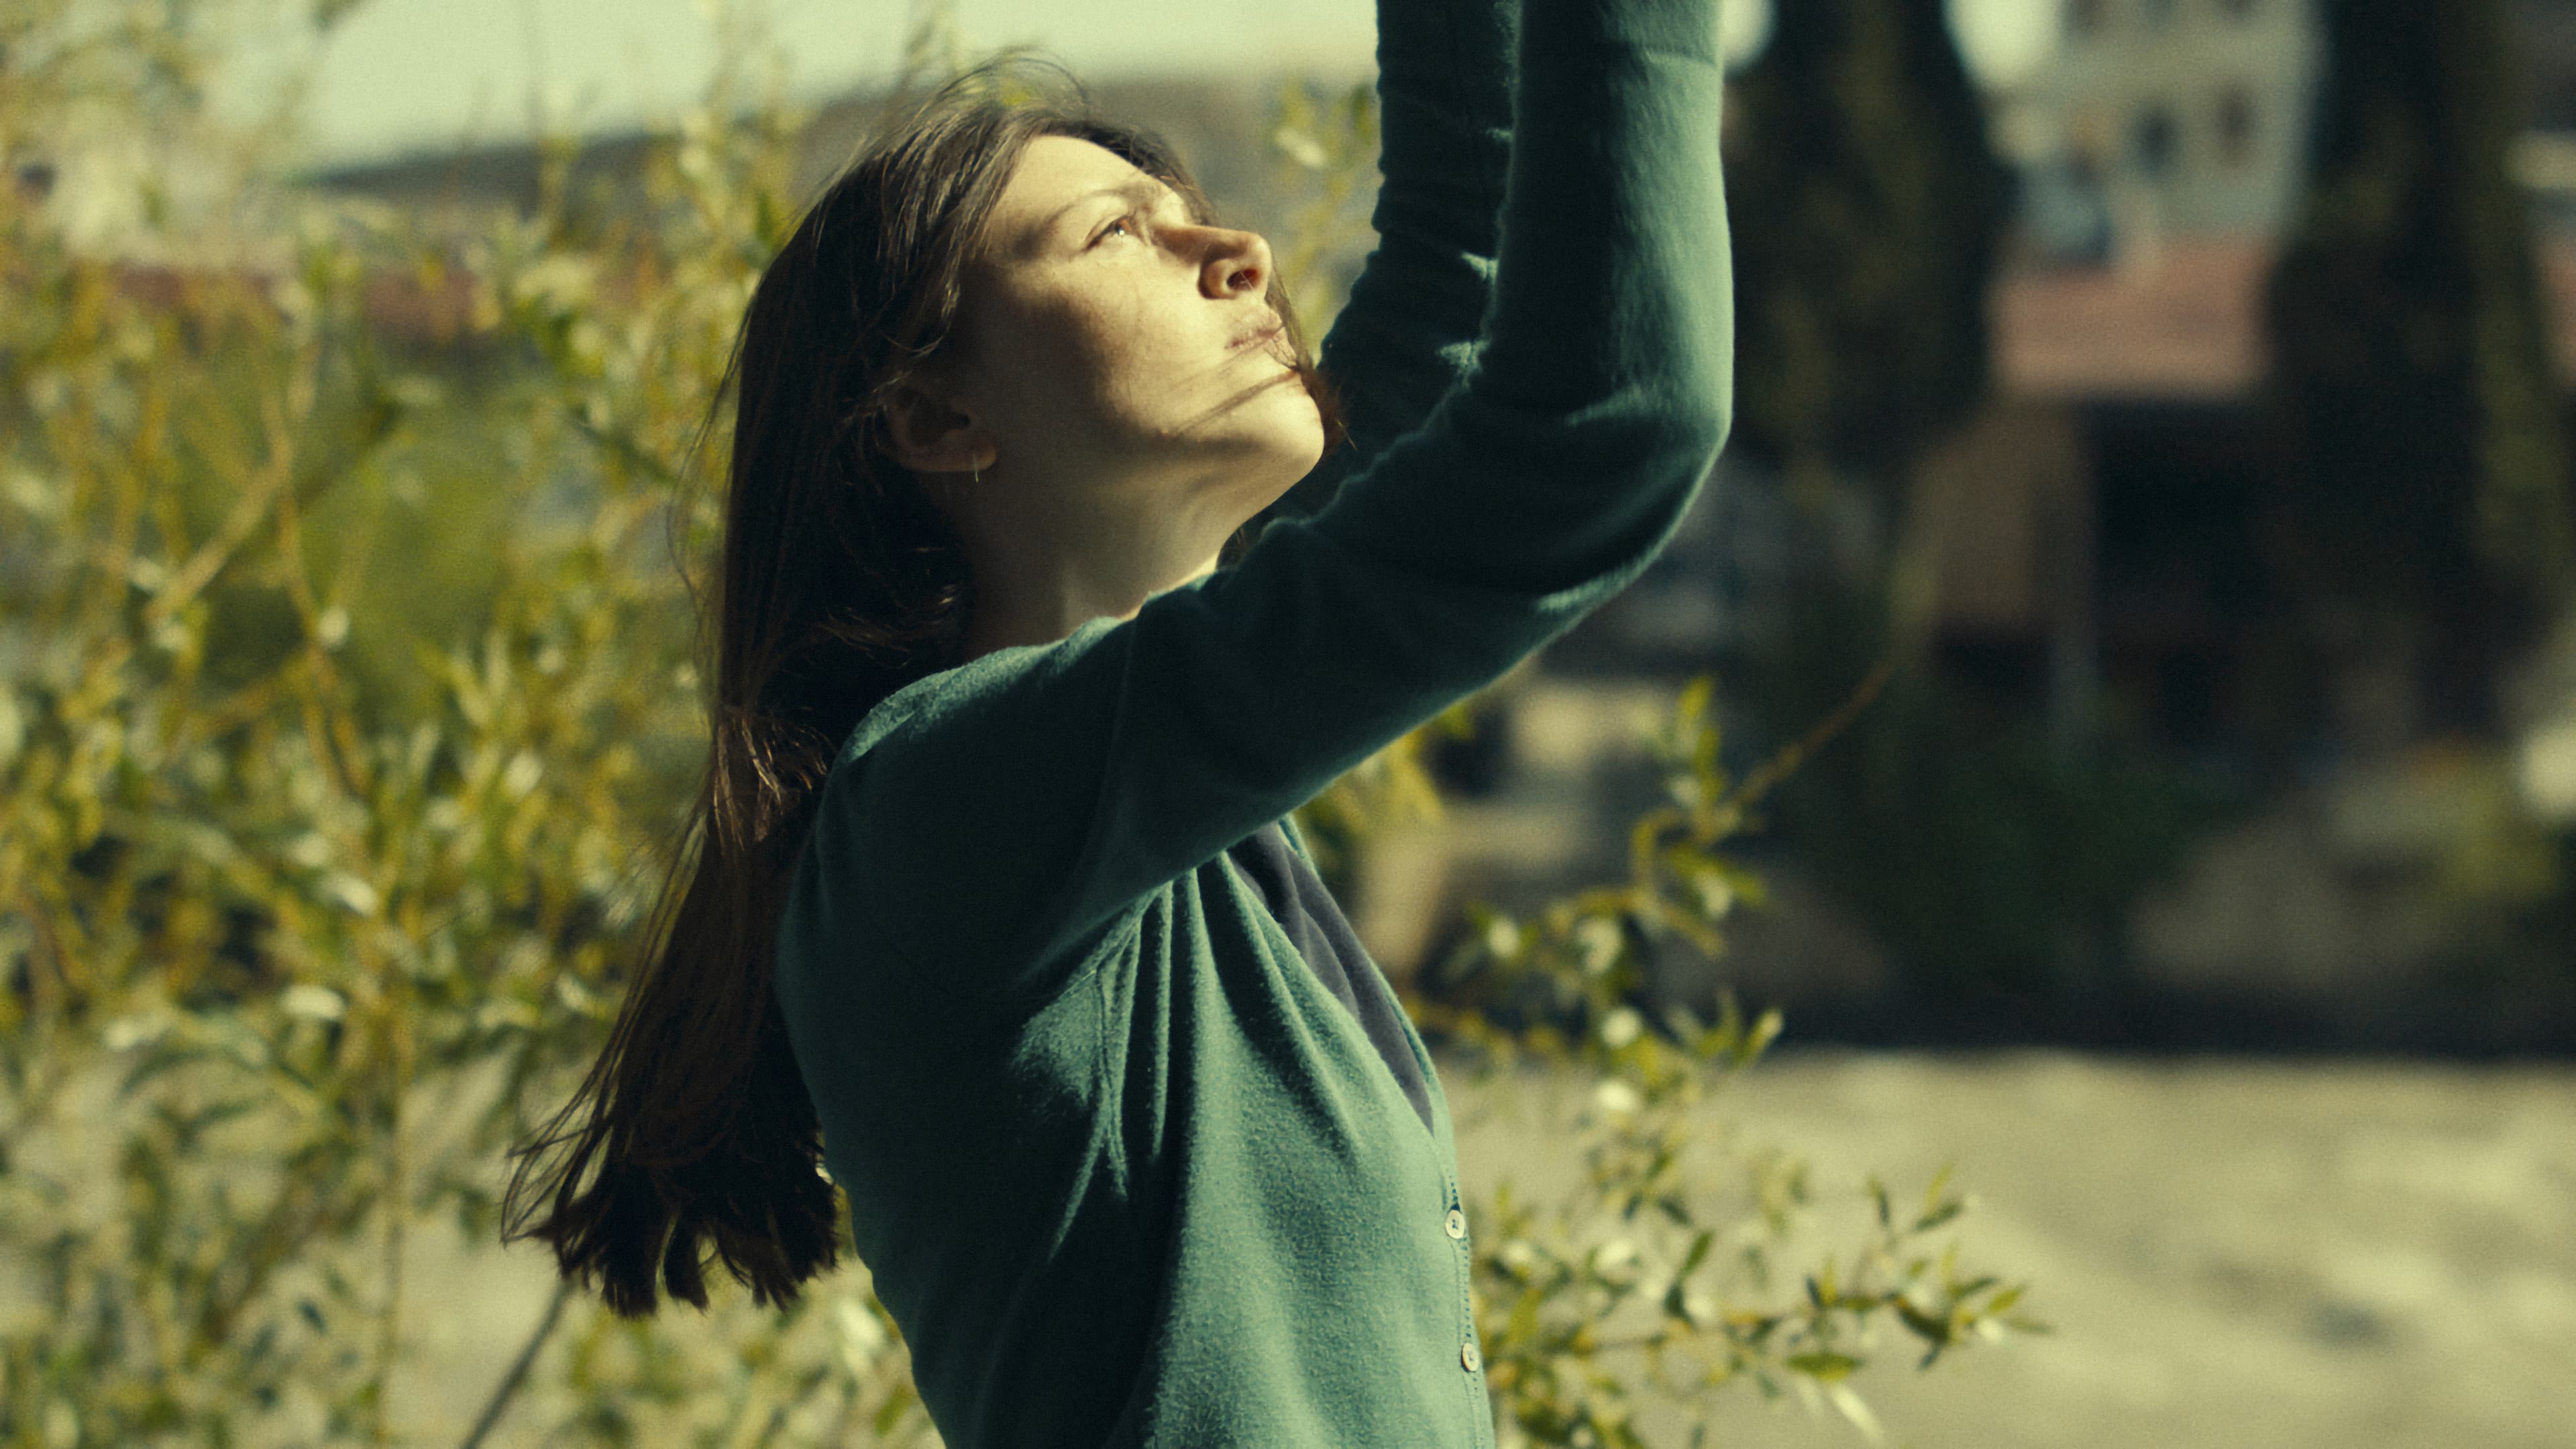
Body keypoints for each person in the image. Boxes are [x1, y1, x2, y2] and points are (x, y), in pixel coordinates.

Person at [502, 0, 1733, 1439]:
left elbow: (1456, 302)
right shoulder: (939, 815)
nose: (1241, 255)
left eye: (1189, 217)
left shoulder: (1120, 798)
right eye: (1112, 236)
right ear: (935, 420)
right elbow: (1603, 421)